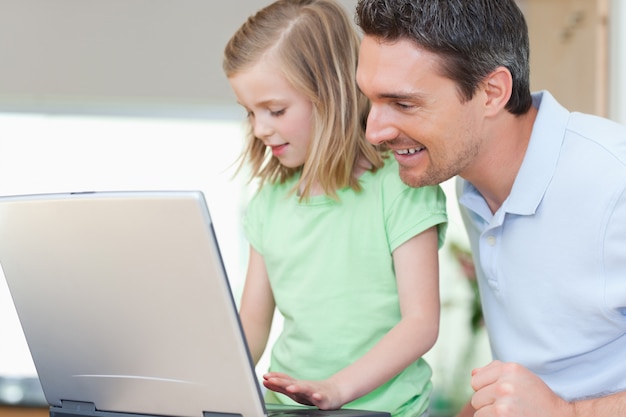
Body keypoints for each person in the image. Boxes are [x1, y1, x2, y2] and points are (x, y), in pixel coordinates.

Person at [353, 0, 626, 416]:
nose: (374, 132)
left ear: (492, 92)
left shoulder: (613, 182)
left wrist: (568, 413)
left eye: (404, 104)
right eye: (370, 100)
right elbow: (532, 381)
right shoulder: (472, 183)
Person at [222, 1, 448, 416]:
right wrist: (211, 387)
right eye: (250, 112)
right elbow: (252, 324)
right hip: (288, 409)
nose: (259, 128)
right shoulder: (268, 204)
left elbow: (420, 325)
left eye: (275, 110)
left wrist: (336, 388)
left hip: (387, 412)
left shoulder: (400, 188)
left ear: (331, 95)